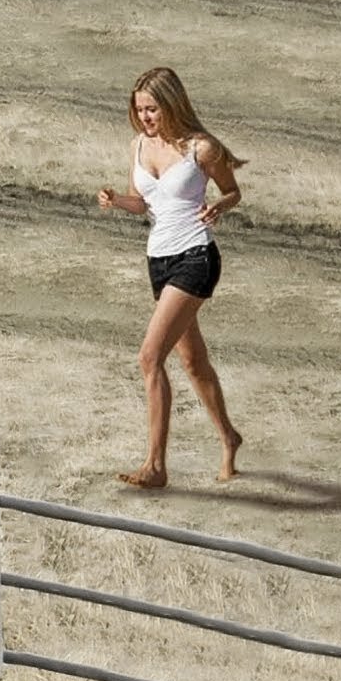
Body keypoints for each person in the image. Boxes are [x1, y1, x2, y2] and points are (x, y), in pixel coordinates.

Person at [97, 67, 244, 488]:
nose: (145, 117)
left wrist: (220, 206)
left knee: (149, 357)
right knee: (193, 361)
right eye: (140, 109)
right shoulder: (139, 145)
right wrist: (114, 200)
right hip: (158, 261)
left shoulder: (202, 148)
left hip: (196, 256)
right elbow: (142, 204)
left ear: (171, 103)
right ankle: (230, 438)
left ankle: (156, 467)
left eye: (152, 108)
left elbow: (232, 191)